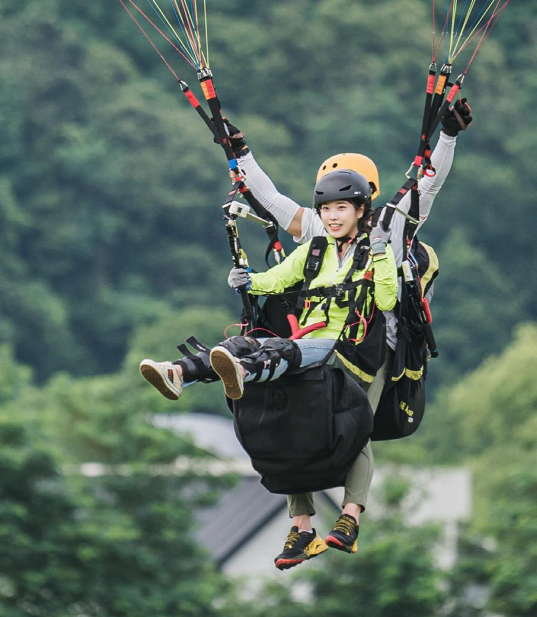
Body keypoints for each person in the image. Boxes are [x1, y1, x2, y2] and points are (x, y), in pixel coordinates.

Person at [139, 169, 399, 566]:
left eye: (341, 208)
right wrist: (246, 280)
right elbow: (276, 280)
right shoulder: (314, 251)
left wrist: (381, 253)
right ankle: (180, 373)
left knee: (286, 359)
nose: (332, 217)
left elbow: (386, 300)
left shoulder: (374, 252)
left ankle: (349, 517)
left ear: (361, 211)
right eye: (326, 209)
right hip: (305, 345)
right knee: (243, 346)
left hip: (346, 350)